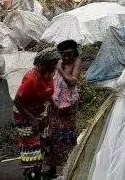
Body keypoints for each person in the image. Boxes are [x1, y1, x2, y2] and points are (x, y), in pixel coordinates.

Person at [14, 49, 60, 180]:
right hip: (24, 114)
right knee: (32, 146)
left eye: (55, 63)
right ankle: (31, 174)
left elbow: (46, 91)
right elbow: (17, 101)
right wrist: (32, 118)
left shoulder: (48, 74)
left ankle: (37, 171)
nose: (55, 66)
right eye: (53, 63)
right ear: (43, 64)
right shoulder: (31, 78)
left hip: (39, 111)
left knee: (44, 142)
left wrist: (53, 103)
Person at [45, 40, 83, 177]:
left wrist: (60, 69)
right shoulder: (58, 62)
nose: (66, 57)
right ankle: (52, 170)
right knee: (53, 138)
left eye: (68, 54)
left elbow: (72, 81)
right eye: (63, 54)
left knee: (67, 138)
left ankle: (68, 171)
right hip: (55, 107)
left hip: (68, 109)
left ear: (74, 53)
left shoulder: (76, 62)